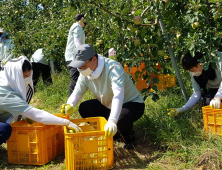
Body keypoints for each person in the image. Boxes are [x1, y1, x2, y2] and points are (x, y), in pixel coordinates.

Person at [61, 44, 145, 150]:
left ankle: (130, 138)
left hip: (131, 103)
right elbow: (77, 94)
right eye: (79, 67)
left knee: (121, 118)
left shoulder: (113, 68)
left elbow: (118, 96)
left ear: (94, 59)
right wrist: (69, 106)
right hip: (109, 104)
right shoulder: (85, 74)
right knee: (85, 108)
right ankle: (114, 133)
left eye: (83, 66)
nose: (81, 70)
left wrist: (112, 121)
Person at [0, 56, 82, 145]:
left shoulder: (4, 82)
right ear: (15, 76)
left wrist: (24, 115)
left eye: (28, 75)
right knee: (4, 129)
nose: (27, 79)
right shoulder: (6, 94)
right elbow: (36, 115)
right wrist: (65, 122)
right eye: (24, 76)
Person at [168, 51, 222, 117]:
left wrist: (218, 97)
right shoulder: (195, 74)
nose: (191, 72)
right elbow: (196, 93)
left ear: (200, 64)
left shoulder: (218, 59)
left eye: (192, 69)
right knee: (207, 102)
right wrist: (183, 109)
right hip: (216, 88)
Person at [65, 13, 87, 97]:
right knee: (75, 78)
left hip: (74, 56)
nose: (85, 22)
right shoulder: (77, 27)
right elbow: (77, 42)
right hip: (74, 57)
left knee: (83, 76)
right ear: (82, 19)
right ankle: (70, 101)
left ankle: (76, 97)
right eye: (84, 20)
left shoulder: (77, 27)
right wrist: (83, 54)